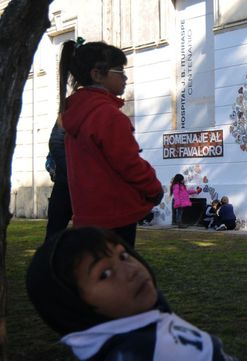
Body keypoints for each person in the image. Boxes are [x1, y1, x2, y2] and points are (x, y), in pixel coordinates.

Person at [26, 226, 236, 361]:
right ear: (70, 306)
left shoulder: (136, 317)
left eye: (124, 255)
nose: (131, 270)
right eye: (105, 274)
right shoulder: (135, 353)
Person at [59, 38, 163, 247]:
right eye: (119, 71)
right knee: (120, 274)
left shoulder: (75, 112)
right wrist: (154, 189)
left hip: (88, 214)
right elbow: (128, 163)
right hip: (116, 214)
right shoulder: (107, 115)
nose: (125, 78)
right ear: (97, 74)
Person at [44, 115, 73, 241]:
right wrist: (72, 171)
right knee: (54, 232)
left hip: (85, 183)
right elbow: (56, 142)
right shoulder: (68, 113)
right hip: (65, 182)